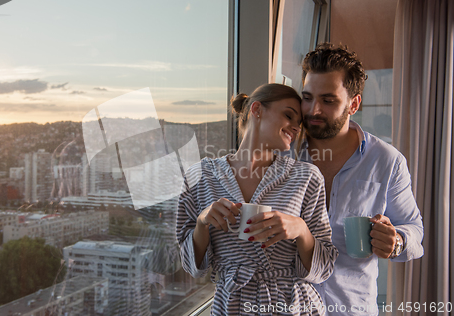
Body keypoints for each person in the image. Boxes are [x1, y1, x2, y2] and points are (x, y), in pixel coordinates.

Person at [176, 83, 338, 316]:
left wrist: (301, 230)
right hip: (231, 306)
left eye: (299, 123)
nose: (295, 127)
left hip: (294, 306)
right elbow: (192, 267)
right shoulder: (200, 176)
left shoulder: (306, 176)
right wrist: (202, 221)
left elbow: (324, 268)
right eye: (288, 115)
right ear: (257, 110)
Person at [297, 43, 424, 315]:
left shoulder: (386, 161)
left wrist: (397, 240)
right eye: (307, 97)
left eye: (328, 100)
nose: (313, 110)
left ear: (354, 103)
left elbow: (414, 228)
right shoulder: (284, 155)